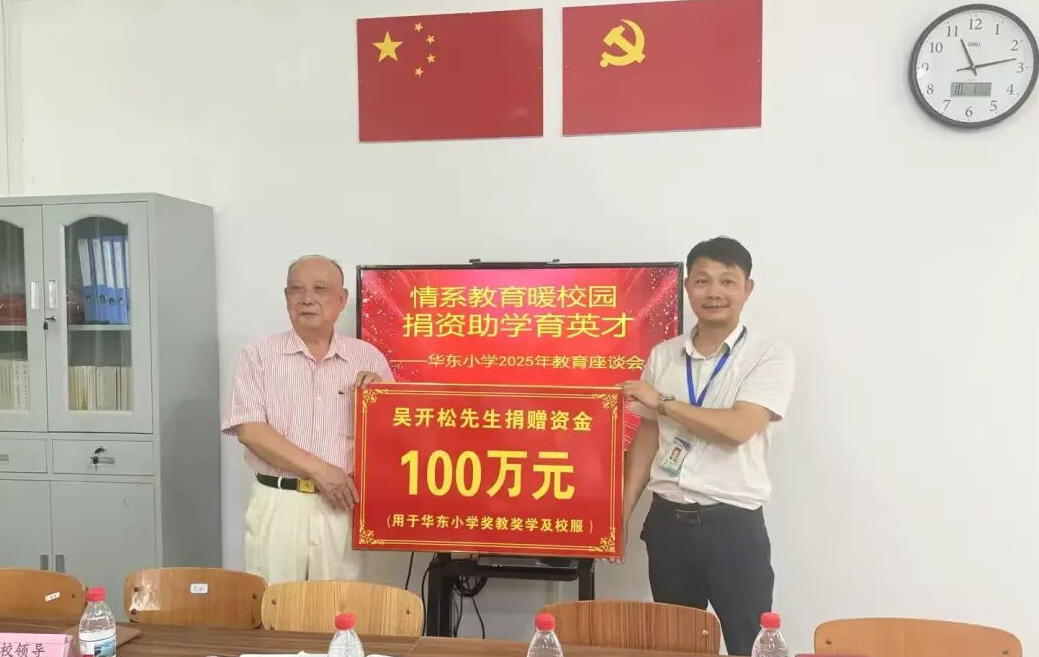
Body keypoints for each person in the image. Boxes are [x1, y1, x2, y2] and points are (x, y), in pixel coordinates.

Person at [618, 237, 795, 655]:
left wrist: (662, 401)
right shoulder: (664, 355)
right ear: (687, 287)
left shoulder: (768, 355)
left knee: (749, 644)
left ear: (747, 289)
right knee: (676, 646)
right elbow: (647, 439)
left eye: (727, 281)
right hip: (667, 525)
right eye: (702, 281)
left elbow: (738, 427)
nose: (714, 292)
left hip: (733, 526)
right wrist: (619, 516)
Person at [222, 254, 393, 584]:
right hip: (278, 503)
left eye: (320, 289)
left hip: (340, 506)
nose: (307, 299)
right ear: (286, 297)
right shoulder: (258, 356)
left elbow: (392, 437)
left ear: (341, 299)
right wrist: (321, 470)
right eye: (296, 289)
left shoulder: (368, 359)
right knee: (275, 605)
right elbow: (251, 431)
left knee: (338, 606)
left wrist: (382, 401)